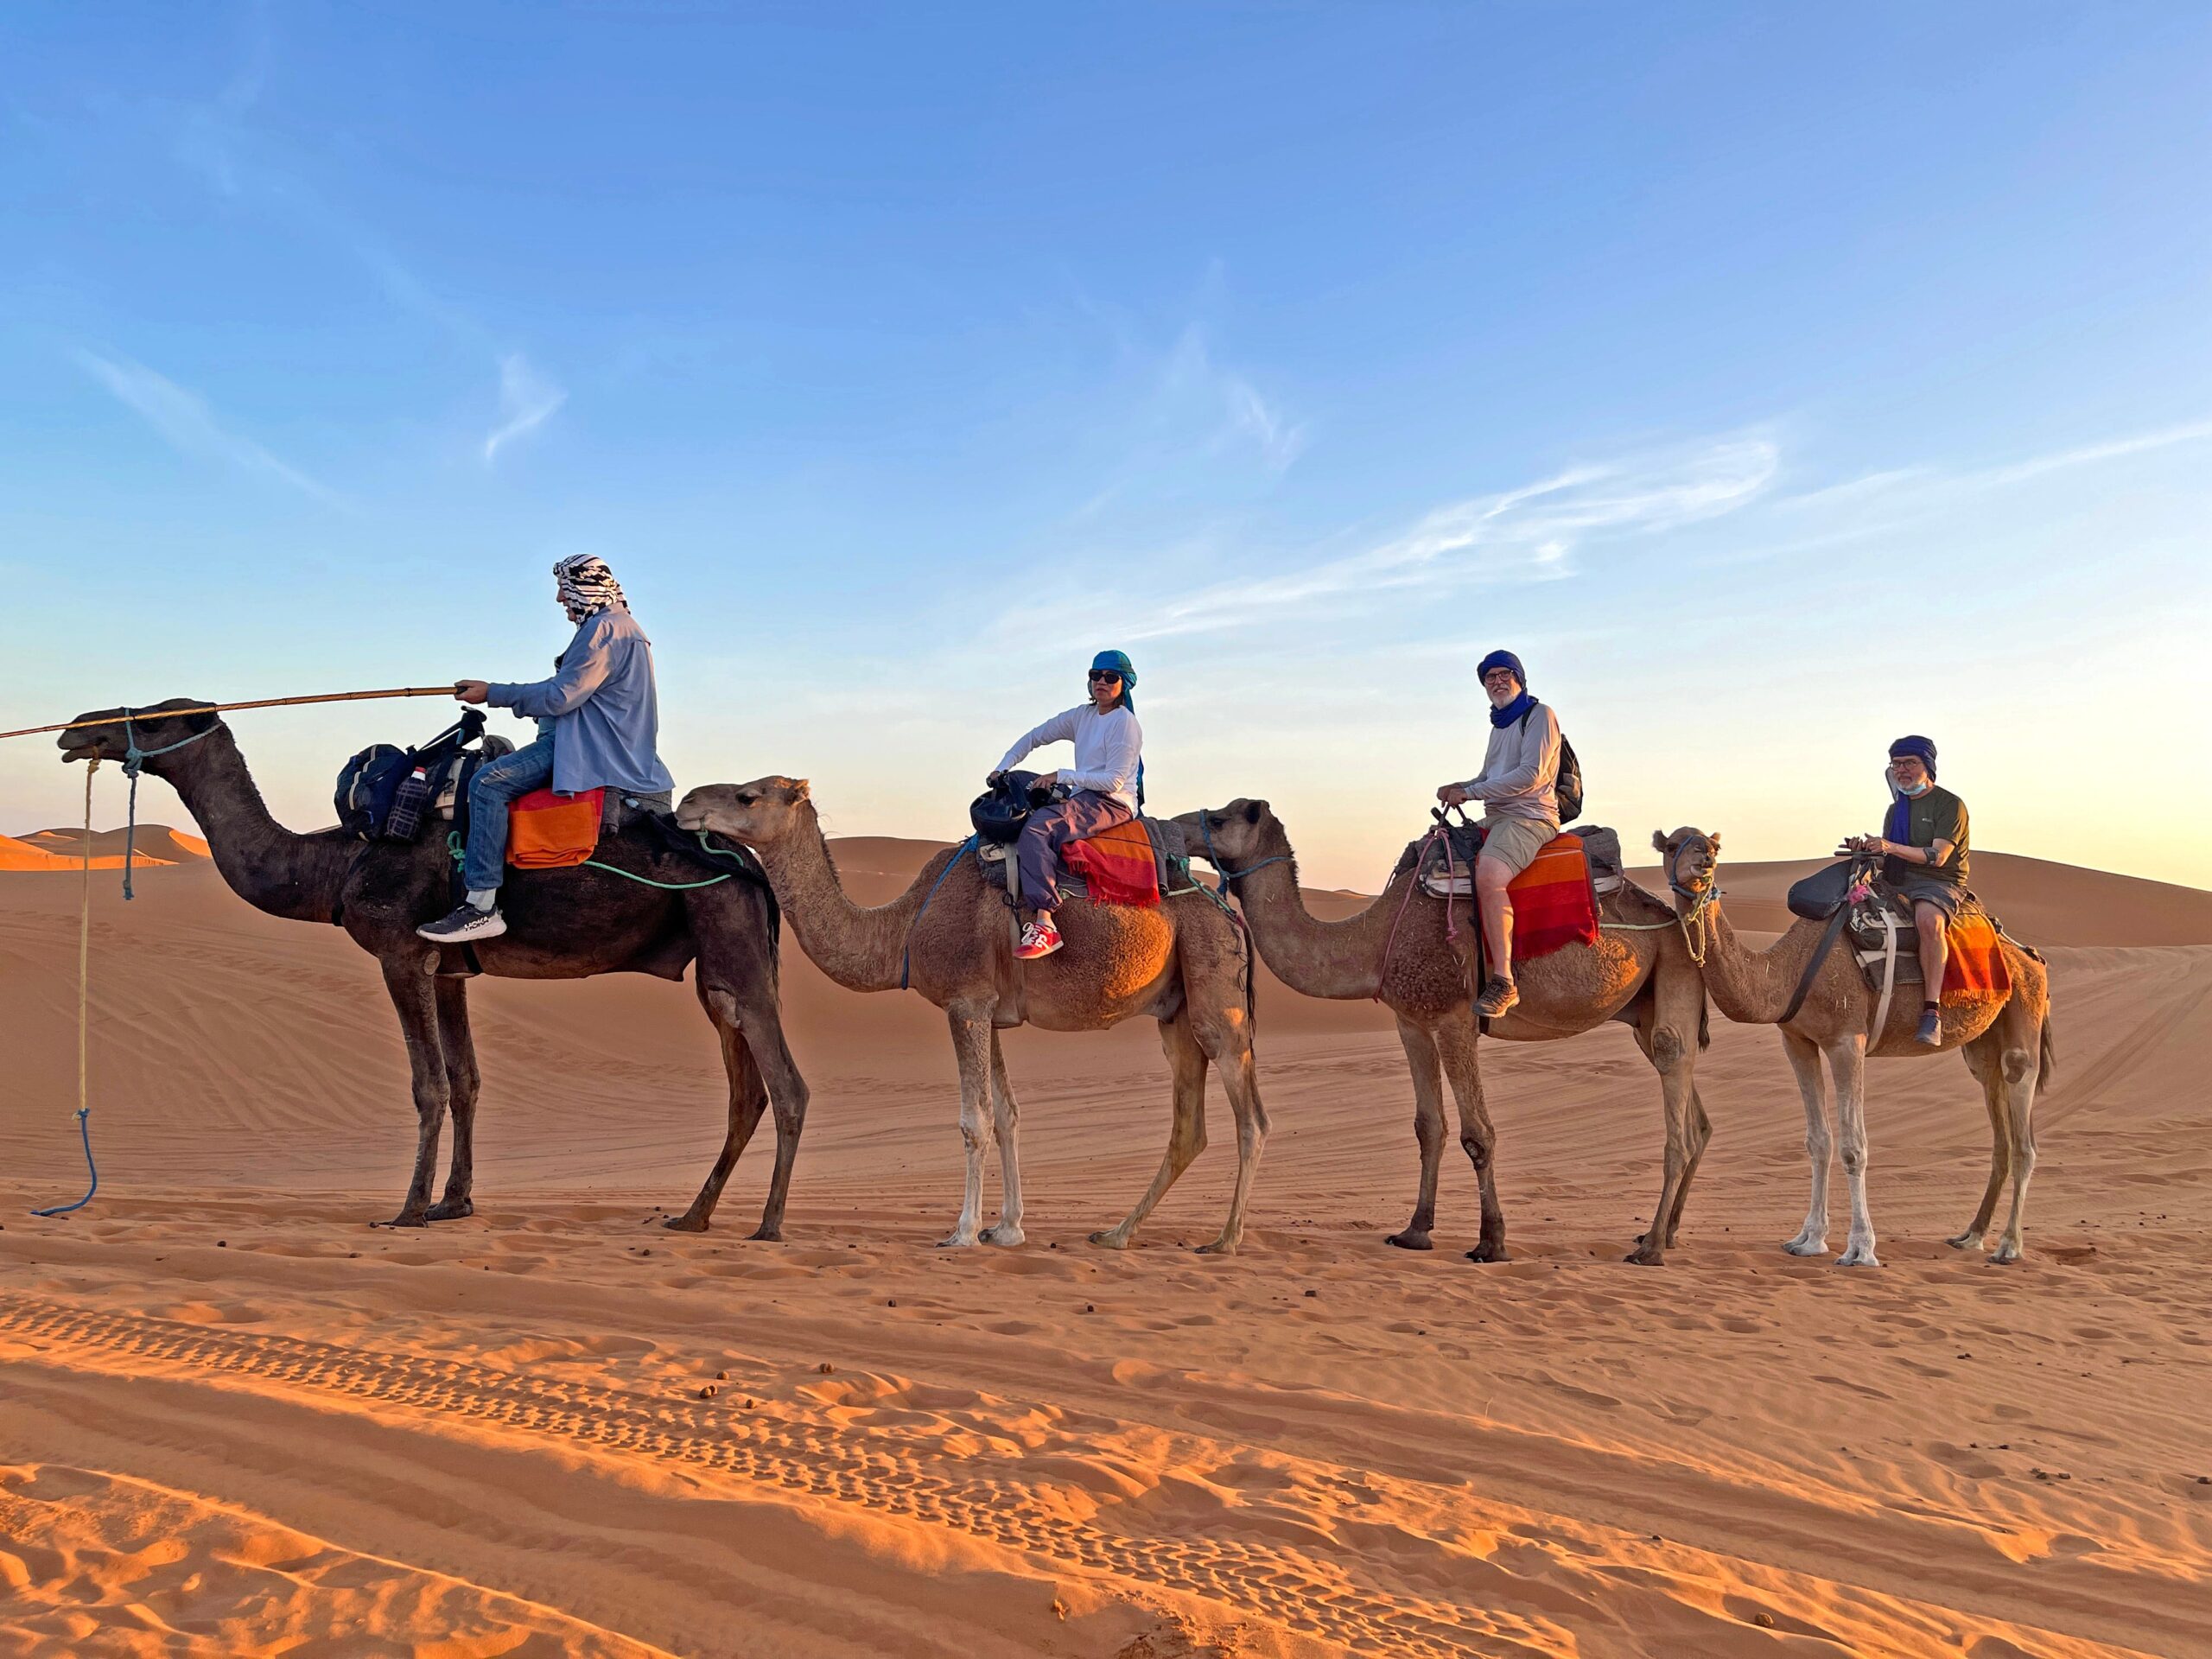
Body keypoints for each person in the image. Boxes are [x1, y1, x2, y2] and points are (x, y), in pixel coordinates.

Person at [416, 554, 676, 944]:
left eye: (564, 587)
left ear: (584, 587)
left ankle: (481, 906)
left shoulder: (604, 631)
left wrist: (494, 694)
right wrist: (505, 693)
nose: (559, 598)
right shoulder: (620, 628)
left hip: (586, 748)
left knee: (487, 782)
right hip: (594, 739)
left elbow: (560, 697)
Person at [989, 650, 1144, 960]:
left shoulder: (1124, 724)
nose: (1101, 681)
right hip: (1082, 795)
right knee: (1021, 789)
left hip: (1112, 803)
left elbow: (1113, 781)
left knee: (1037, 828)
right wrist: (1003, 768)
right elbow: (1035, 737)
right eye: (1095, 675)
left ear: (1123, 684)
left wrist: (1062, 775)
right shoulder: (1082, 716)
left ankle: (1045, 921)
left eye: (1110, 677)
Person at [1436, 649, 1561, 1018]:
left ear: (1519, 678)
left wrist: (1472, 793)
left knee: (1489, 875)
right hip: (1498, 816)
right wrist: (1459, 785)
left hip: (1530, 817)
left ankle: (1505, 982)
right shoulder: (1500, 724)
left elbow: (1531, 776)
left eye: (1505, 674)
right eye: (1490, 677)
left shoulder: (1539, 716)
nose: (1497, 681)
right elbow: (1488, 778)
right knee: (1435, 850)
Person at [1840, 734, 1968, 1046]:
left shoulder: (1950, 805)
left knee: (1929, 923)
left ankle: (1931, 1011)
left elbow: (1938, 857)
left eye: (1910, 763)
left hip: (1938, 881)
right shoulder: (1894, 809)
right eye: (1896, 764)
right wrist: (1867, 850)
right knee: (1845, 908)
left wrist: (1890, 846)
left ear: (1928, 767)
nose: (1902, 770)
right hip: (1897, 878)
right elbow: (1889, 859)